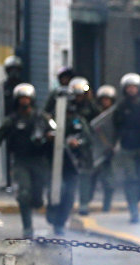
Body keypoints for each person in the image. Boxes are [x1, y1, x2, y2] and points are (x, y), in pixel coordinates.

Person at [0, 83, 53, 239]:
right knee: (24, 194)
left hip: (39, 162)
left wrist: (49, 136)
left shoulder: (42, 118)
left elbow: (56, 132)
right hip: (21, 162)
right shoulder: (11, 121)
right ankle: (28, 228)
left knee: (37, 199)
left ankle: (36, 202)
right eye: (21, 99)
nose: (24, 101)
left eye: (27, 98)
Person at [46, 77, 94, 234]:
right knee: (55, 191)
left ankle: (60, 223)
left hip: (72, 162)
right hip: (53, 162)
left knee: (69, 194)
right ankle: (53, 215)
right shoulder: (50, 120)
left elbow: (87, 137)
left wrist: (77, 142)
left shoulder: (77, 119)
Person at [112, 73, 140, 223]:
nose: (131, 90)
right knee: (131, 179)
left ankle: (137, 199)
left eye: (134, 87)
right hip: (127, 148)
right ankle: (133, 209)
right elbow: (115, 128)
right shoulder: (121, 108)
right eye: (129, 87)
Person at [1, 55, 26, 191]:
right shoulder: (3, 87)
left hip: (20, 125)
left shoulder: (24, 87)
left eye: (16, 70)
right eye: (11, 70)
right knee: (5, 155)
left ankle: (20, 181)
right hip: (7, 125)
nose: (14, 73)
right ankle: (7, 181)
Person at [92, 85, 117, 212]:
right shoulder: (95, 113)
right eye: (103, 99)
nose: (105, 102)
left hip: (110, 152)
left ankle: (106, 206)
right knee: (91, 178)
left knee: (109, 182)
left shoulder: (115, 114)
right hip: (95, 150)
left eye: (108, 99)